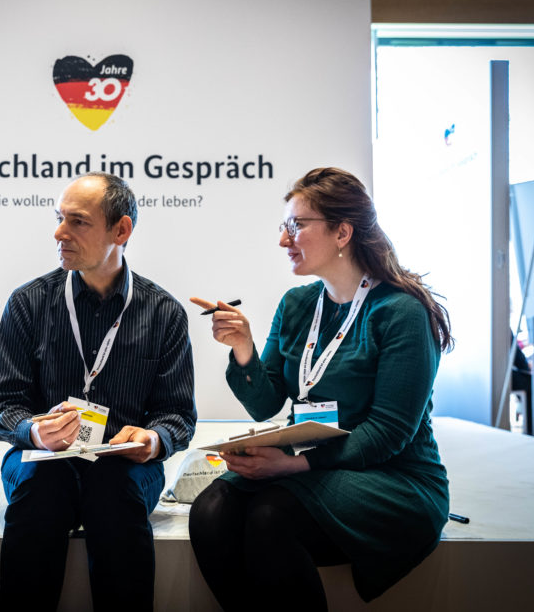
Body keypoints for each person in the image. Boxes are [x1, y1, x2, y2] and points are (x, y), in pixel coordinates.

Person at [189, 167, 452, 610]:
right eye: (283, 226)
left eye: (296, 226)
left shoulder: (401, 312)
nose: (283, 240)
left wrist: (292, 466)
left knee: (270, 515)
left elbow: (389, 432)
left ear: (342, 233)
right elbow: (266, 403)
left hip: (393, 476)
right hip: (315, 464)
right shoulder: (298, 304)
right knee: (211, 510)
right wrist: (243, 349)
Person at [0, 172, 196, 611]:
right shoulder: (28, 303)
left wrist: (151, 440)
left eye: (77, 222)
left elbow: (177, 415)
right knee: (41, 490)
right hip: (42, 459)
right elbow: (4, 406)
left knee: (113, 490)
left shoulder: (164, 313)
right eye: (59, 218)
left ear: (121, 230)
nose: (59, 233)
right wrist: (34, 431)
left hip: (124, 468)